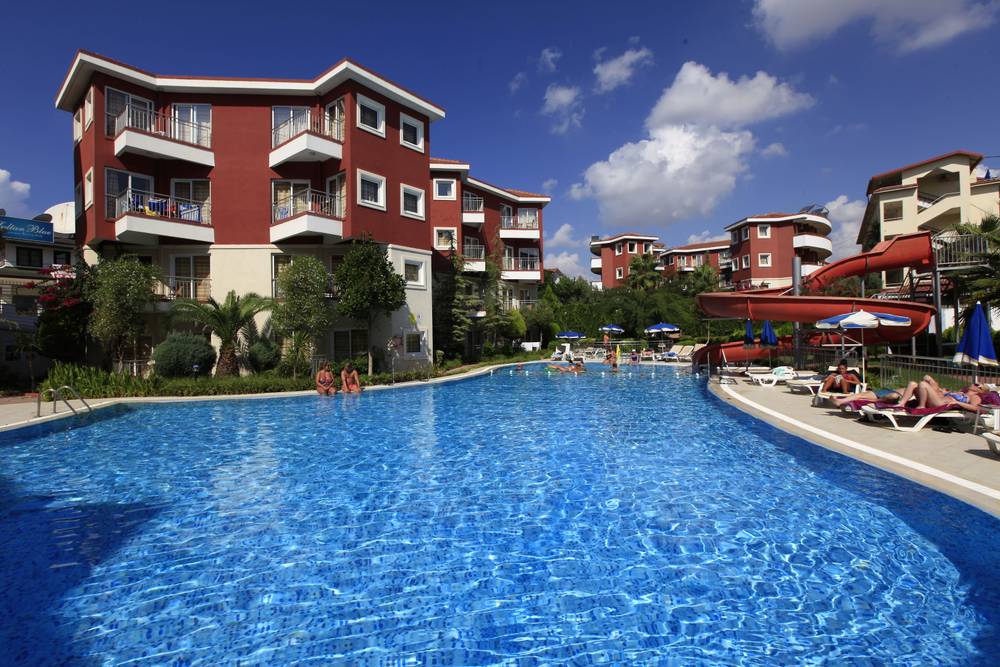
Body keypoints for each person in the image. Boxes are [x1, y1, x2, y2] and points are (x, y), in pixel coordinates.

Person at [890, 374, 983, 412]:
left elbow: (976, 408)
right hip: (934, 399)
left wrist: (957, 402)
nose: (973, 384)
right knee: (912, 383)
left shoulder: (975, 397)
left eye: (976, 384)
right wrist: (943, 392)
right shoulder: (961, 392)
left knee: (923, 384)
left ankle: (922, 406)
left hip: (940, 404)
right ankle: (901, 404)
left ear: (980, 389)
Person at [832, 383, 914, 407]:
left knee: (894, 396)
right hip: (887, 391)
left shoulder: (916, 388)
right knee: (861, 395)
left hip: (895, 395)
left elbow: (895, 397)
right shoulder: (915, 386)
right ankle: (840, 401)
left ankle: (877, 400)